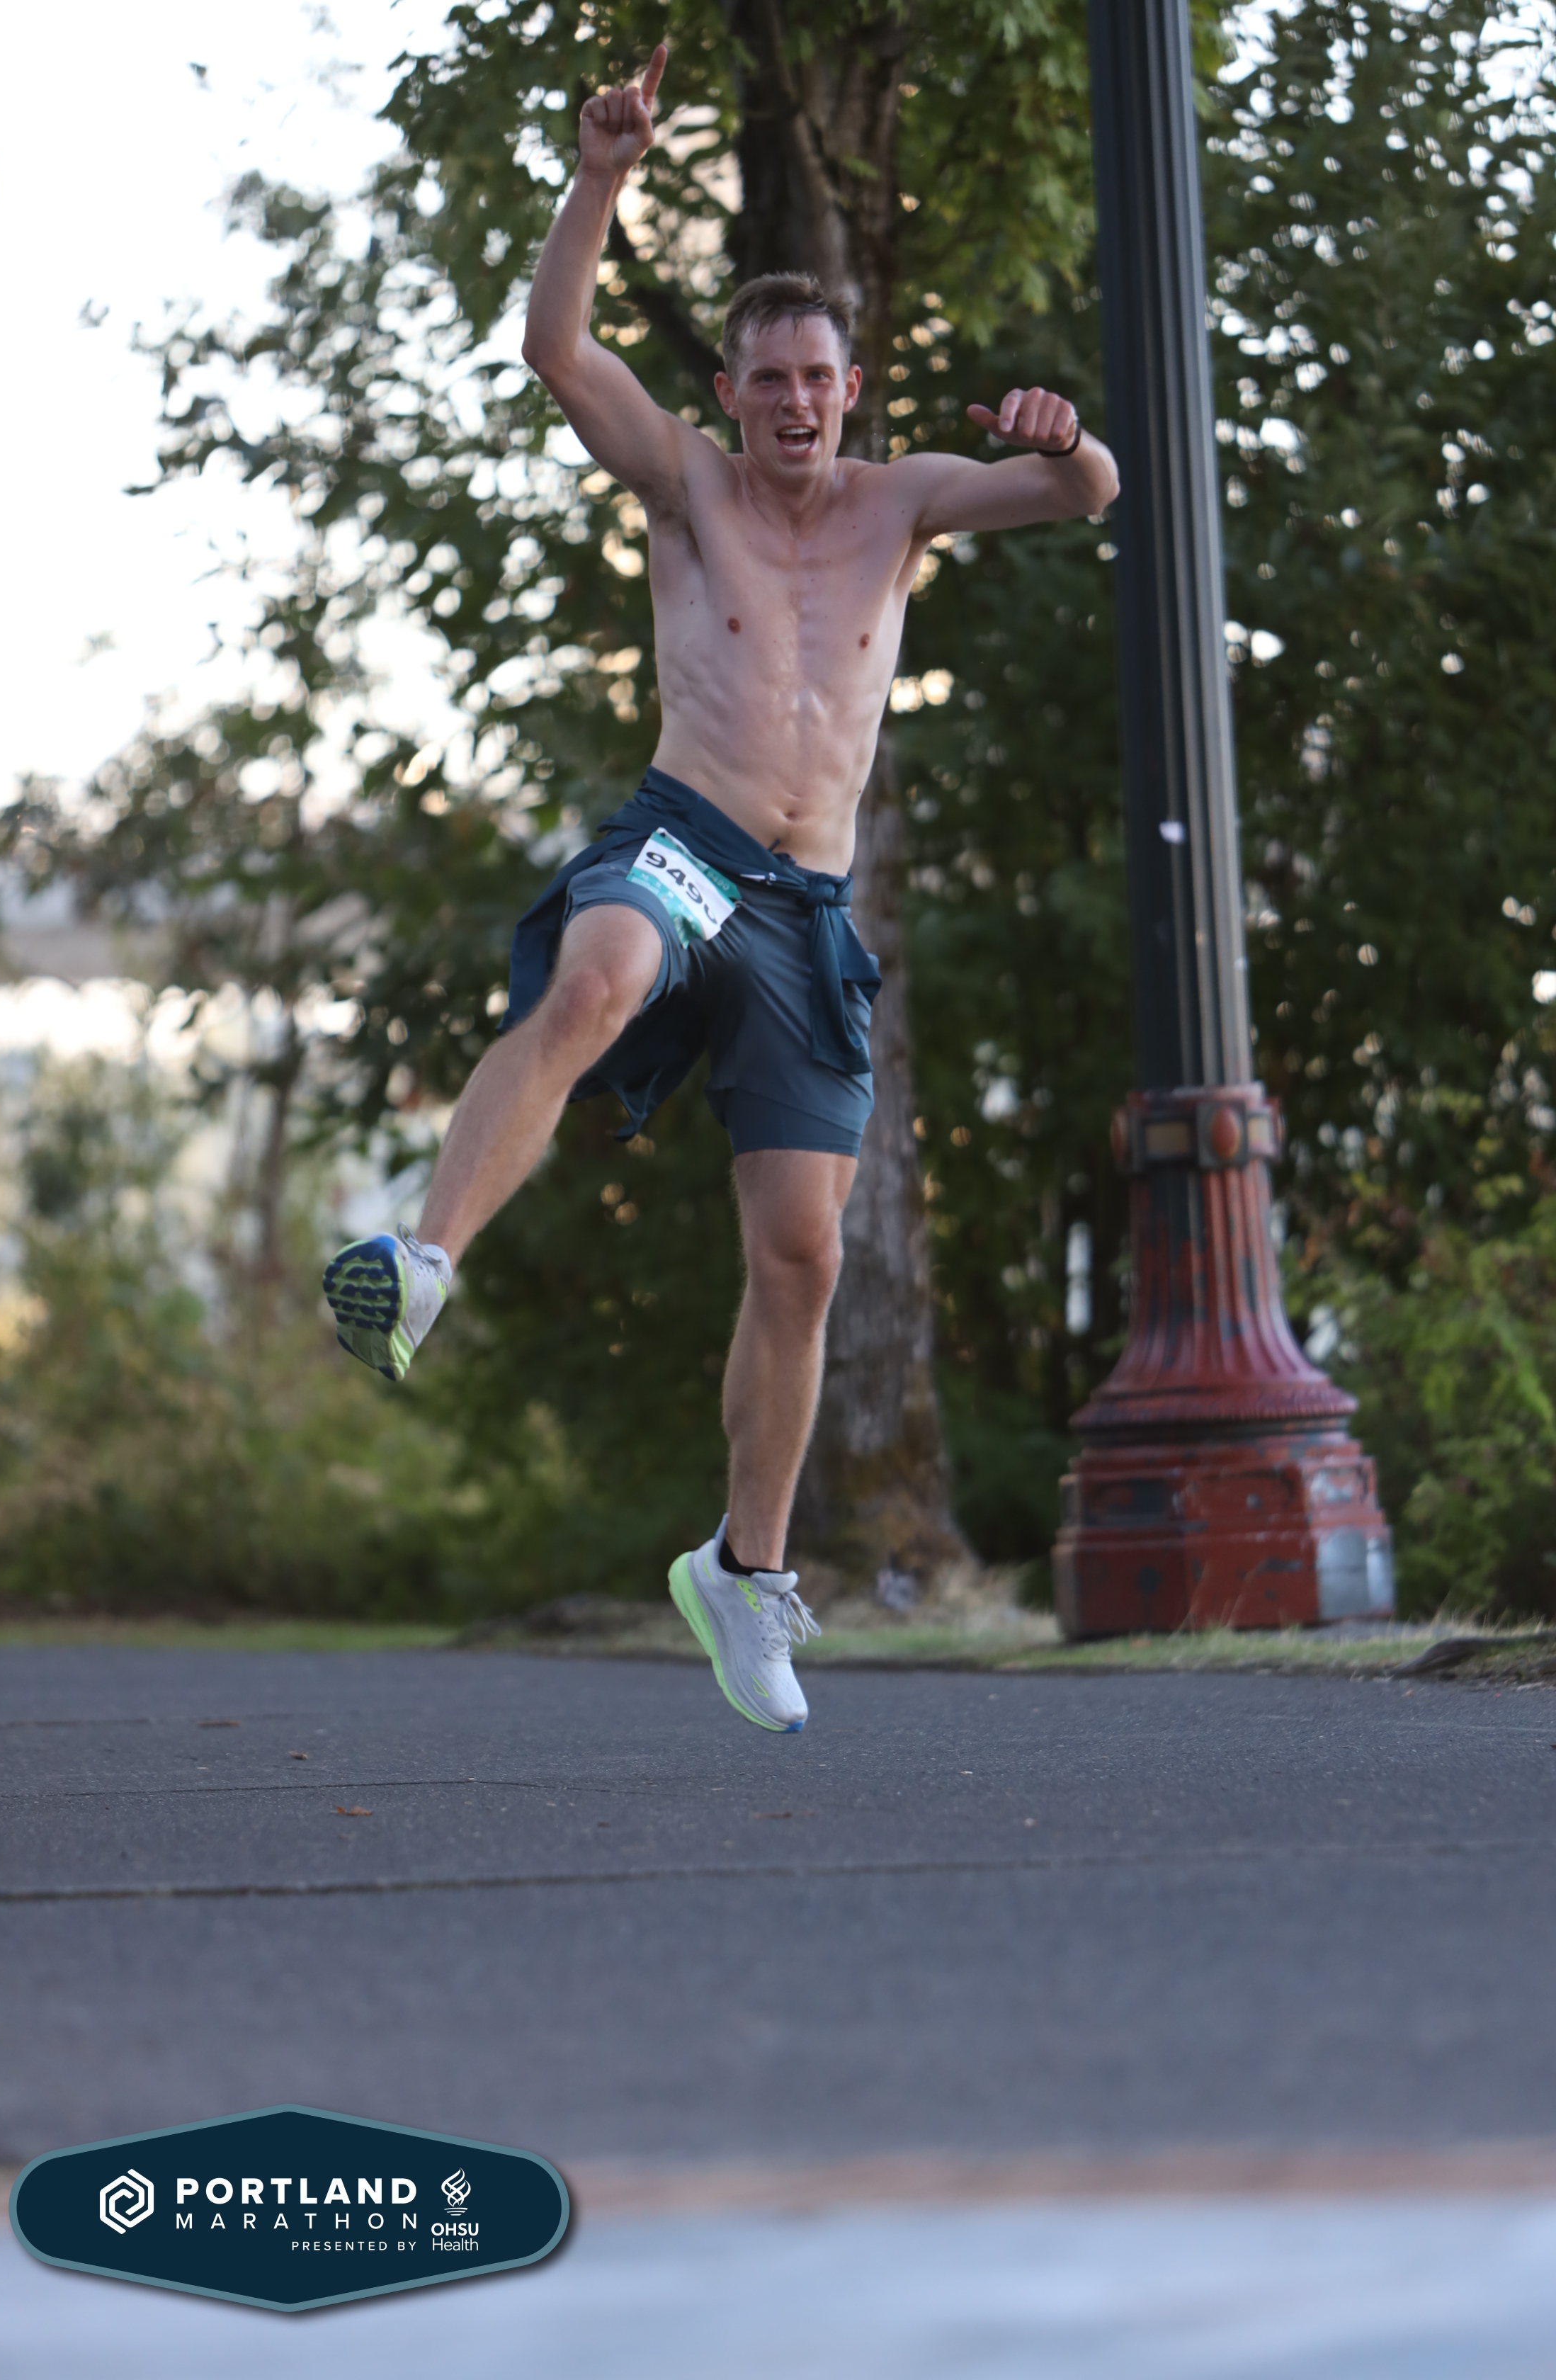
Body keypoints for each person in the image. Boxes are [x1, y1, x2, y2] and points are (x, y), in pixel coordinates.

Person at [324, 42, 1119, 1734]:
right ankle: (426, 1262)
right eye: (765, 380)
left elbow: (1079, 494)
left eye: (815, 378)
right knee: (597, 976)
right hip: (687, 836)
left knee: (804, 1257)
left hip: (809, 909)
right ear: (736, 393)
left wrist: (1067, 437)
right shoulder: (687, 483)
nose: (792, 404)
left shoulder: (904, 504)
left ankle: (743, 1574)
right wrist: (600, 176)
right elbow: (556, 350)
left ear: (850, 387)